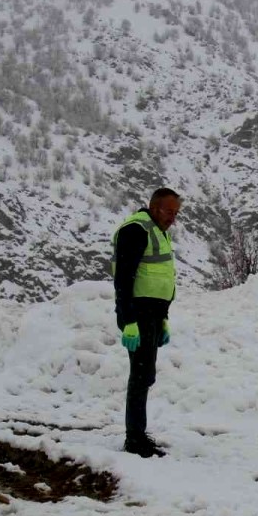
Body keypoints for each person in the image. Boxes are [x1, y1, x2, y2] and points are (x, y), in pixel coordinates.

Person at [113, 187, 182, 458]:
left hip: (152, 313)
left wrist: (163, 318)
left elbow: (159, 278)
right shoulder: (136, 230)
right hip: (138, 313)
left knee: (147, 374)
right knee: (140, 375)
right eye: (168, 211)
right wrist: (127, 320)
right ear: (154, 207)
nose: (172, 218)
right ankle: (134, 438)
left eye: (176, 213)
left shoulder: (158, 231)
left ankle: (138, 433)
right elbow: (124, 279)